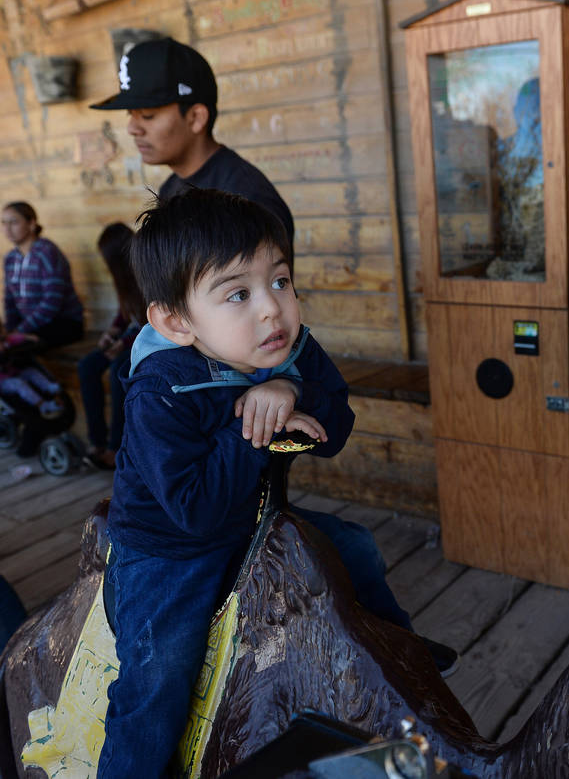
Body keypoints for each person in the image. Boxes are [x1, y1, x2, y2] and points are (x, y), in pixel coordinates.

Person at [99, 189, 454, 777]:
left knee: (354, 546)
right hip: (170, 550)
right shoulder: (161, 390)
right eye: (238, 293)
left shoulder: (288, 351)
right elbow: (194, 509)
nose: (272, 308)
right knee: (158, 674)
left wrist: (288, 391)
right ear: (175, 320)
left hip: (253, 519)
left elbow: (335, 422)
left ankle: (399, 652)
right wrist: (251, 428)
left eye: (281, 281)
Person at [89, 37, 295, 273]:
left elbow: (261, 305)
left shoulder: (246, 199)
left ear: (196, 117)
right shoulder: (170, 190)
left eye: (147, 115)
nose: (133, 128)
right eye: (131, 115)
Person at [77, 223, 145, 470]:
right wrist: (112, 332)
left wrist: (123, 343)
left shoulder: (145, 272)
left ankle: (115, 447)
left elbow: (152, 323)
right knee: (87, 365)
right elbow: (125, 314)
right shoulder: (123, 278)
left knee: (119, 369)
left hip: (150, 340)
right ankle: (96, 441)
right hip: (130, 336)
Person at [2, 201, 84, 349]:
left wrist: (19, 331)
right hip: (31, 325)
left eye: (14, 222)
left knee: (18, 348)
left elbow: (52, 301)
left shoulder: (47, 253)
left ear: (32, 224)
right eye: (3, 222)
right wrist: (10, 330)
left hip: (62, 323)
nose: (7, 229)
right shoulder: (10, 258)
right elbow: (9, 301)